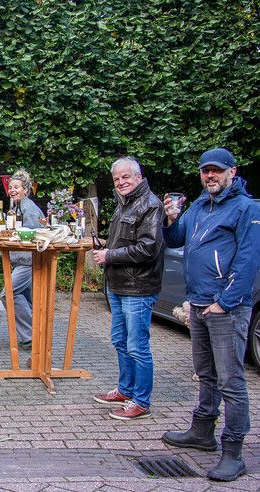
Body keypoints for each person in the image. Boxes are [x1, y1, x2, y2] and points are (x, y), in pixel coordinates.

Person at [160, 148, 260, 482]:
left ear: (233, 172)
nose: (210, 176)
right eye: (205, 171)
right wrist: (172, 216)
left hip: (225, 308)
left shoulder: (247, 208)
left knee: (231, 381)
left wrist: (225, 302)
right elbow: (175, 239)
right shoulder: (200, 205)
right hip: (198, 303)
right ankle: (202, 432)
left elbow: (248, 261)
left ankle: (233, 452)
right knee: (206, 374)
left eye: (216, 171)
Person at [91, 157, 165, 421]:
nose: (121, 182)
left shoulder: (151, 205)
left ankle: (141, 402)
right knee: (120, 342)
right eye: (117, 179)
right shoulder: (125, 203)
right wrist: (104, 246)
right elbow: (122, 241)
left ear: (139, 177)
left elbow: (148, 248)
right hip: (118, 284)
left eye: (126, 177)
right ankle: (125, 389)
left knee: (137, 346)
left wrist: (109, 255)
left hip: (139, 287)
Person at [0, 169, 45, 350]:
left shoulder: (28, 208)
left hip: (28, 261)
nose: (12, 190)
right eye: (10, 187)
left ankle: (29, 335)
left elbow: (34, 234)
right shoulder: (16, 207)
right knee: (27, 299)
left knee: (8, 294)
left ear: (26, 189)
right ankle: (36, 335)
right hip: (21, 260)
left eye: (16, 187)